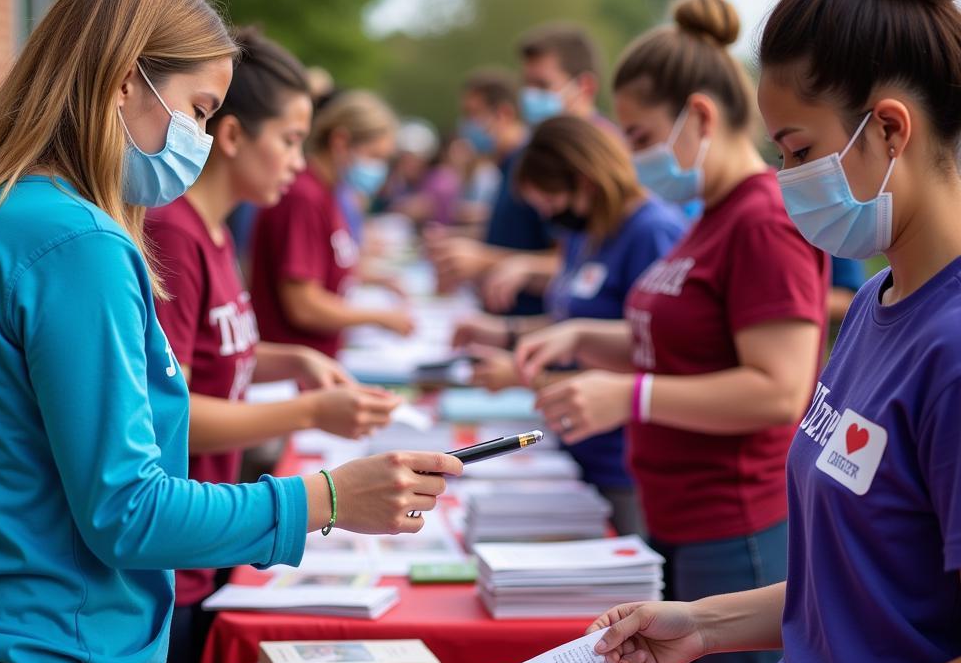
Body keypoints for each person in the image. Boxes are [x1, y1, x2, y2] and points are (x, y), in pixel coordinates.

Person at [0, 0, 461, 663]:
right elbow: (128, 511)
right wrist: (328, 498)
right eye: (196, 106)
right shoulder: (81, 244)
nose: (203, 136)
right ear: (122, 80)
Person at [589, 0, 961, 663]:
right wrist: (707, 623)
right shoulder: (879, 303)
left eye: (796, 152)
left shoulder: (953, 348)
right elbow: (876, 584)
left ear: (887, 129)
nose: (784, 182)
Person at [517, 0, 828, 663]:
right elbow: (686, 344)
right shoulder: (709, 219)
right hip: (683, 513)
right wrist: (582, 340)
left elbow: (778, 389)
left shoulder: (762, 220)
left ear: (701, 116)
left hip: (738, 522)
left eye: (641, 134)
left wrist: (630, 398)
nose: (630, 155)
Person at [142, 26, 399, 663]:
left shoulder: (217, 234)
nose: (299, 162)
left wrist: (289, 362)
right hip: (169, 557)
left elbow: (221, 356)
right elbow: (169, 413)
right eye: (289, 138)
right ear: (230, 134)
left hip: (204, 545)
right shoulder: (174, 234)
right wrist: (303, 411)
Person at [452, 116, 685, 534]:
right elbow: (572, 321)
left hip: (622, 461)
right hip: (576, 446)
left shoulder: (653, 233)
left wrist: (528, 376)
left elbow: (651, 355)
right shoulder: (587, 229)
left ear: (586, 182)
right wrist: (504, 332)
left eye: (554, 203)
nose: (552, 219)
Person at [429, 27, 611, 314]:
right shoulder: (544, 151)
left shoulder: (604, 160)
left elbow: (585, 266)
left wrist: (487, 260)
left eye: (542, 85)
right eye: (527, 85)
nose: (529, 97)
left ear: (585, 88)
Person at [250, 89, 413, 356]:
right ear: (340, 141)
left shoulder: (329, 193)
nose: (380, 170)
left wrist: (377, 279)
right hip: (291, 370)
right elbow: (303, 304)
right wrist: (379, 317)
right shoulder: (304, 197)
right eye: (374, 156)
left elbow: (326, 267)